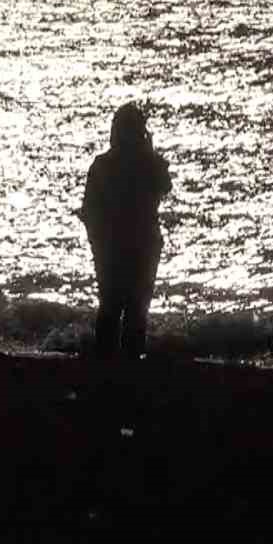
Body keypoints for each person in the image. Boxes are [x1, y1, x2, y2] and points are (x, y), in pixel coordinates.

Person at [79, 101, 172, 359]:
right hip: (138, 247)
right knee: (133, 311)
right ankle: (126, 369)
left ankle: (107, 369)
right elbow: (165, 185)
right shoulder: (146, 164)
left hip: (117, 248)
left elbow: (88, 212)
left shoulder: (103, 165)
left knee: (112, 308)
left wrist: (97, 243)